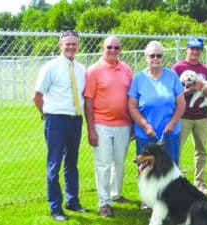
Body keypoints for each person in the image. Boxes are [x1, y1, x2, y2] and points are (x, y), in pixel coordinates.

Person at [32, 31, 87, 221]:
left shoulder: (81, 68)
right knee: (54, 165)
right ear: (60, 45)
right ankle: (55, 207)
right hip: (56, 121)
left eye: (74, 43)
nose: (71, 47)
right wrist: (45, 115)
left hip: (75, 121)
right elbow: (36, 96)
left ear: (78, 45)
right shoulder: (50, 67)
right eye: (67, 44)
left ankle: (73, 201)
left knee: (72, 164)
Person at [128, 41, 186, 209]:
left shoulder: (172, 76)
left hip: (170, 133)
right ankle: (147, 201)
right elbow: (132, 106)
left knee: (171, 168)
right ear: (146, 57)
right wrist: (145, 125)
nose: (155, 58)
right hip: (145, 135)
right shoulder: (139, 78)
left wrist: (172, 122)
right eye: (152, 55)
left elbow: (181, 104)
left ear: (163, 57)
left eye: (159, 55)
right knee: (146, 169)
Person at [84, 36, 133, 217]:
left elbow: (132, 99)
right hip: (101, 124)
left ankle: (116, 194)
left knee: (119, 163)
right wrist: (91, 129)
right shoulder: (94, 70)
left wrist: (133, 124)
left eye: (116, 47)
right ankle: (104, 203)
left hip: (123, 124)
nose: (113, 50)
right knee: (103, 164)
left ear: (121, 49)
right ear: (103, 48)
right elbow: (88, 100)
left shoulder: (127, 69)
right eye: (109, 47)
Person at [171, 37, 207, 195]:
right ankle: (174, 183)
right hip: (182, 116)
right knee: (175, 149)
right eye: (192, 48)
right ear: (186, 49)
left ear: (201, 51)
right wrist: (192, 89)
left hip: (201, 115)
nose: (195, 52)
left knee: (201, 150)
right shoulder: (177, 67)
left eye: (198, 49)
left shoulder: (205, 70)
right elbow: (173, 96)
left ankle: (200, 184)